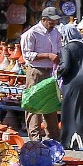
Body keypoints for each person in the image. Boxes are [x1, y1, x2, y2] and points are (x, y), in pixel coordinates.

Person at [19, 8, 65, 138]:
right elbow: (27, 55)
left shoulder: (56, 32)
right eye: (51, 21)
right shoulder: (31, 33)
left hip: (51, 71)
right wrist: (48, 56)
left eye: (55, 21)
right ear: (43, 20)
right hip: (36, 71)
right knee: (34, 103)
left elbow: (59, 49)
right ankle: (35, 137)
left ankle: (54, 136)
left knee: (50, 103)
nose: (53, 24)